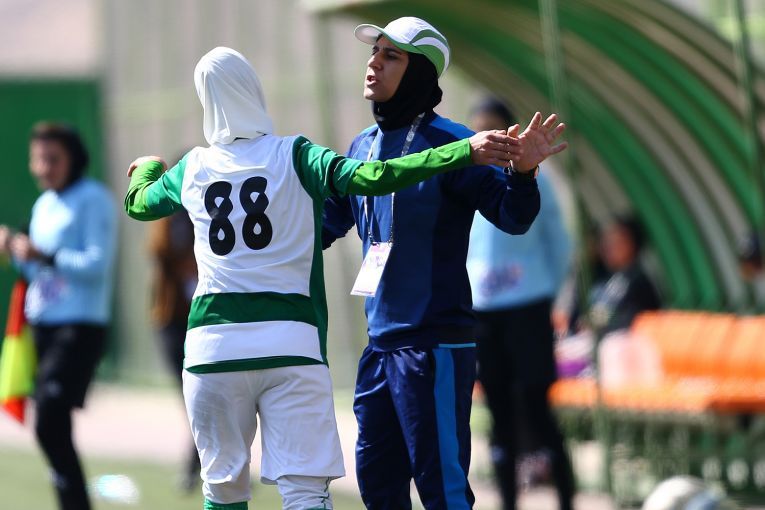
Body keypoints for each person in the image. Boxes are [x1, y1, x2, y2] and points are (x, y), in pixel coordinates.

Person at [124, 46, 525, 510]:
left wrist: (149, 167)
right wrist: (462, 152)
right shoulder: (296, 154)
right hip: (291, 344)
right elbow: (374, 177)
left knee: (223, 490)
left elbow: (139, 202)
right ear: (255, 91)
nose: (374, 62)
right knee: (306, 491)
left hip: (213, 349)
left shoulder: (191, 166)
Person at [321, 17, 568, 510]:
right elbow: (326, 225)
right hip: (379, 348)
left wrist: (523, 174)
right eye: (374, 53)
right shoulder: (360, 147)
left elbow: (513, 217)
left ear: (419, 72)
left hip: (434, 346)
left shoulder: (456, 145)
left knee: (443, 493)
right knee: (378, 487)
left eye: (391, 55)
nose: (374, 63)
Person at [0, 122, 117, 510]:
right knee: (54, 426)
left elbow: (96, 265)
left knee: (49, 420)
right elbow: (36, 271)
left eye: (53, 159)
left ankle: (75, 502)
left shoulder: (93, 198)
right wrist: (13, 249)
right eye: (37, 159)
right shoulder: (44, 204)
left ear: (74, 159)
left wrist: (44, 255)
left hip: (79, 326)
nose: (43, 168)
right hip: (42, 326)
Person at [466, 98, 575, 510]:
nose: (489, 137)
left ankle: (565, 499)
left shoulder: (533, 180)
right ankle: (508, 502)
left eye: (496, 128)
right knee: (498, 415)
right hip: (483, 312)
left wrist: (544, 288)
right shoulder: (468, 179)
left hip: (528, 307)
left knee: (537, 407)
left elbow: (558, 243)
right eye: (480, 129)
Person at [147, 211, 201, 491]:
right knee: (191, 395)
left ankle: (200, 463)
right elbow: (157, 248)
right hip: (173, 319)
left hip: (205, 317)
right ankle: (198, 462)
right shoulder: (169, 214)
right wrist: (187, 263)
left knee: (206, 393)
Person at [590, 216, 661, 334]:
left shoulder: (638, 280)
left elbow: (633, 320)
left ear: (632, 244)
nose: (609, 248)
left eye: (617, 242)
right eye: (607, 242)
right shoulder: (603, 278)